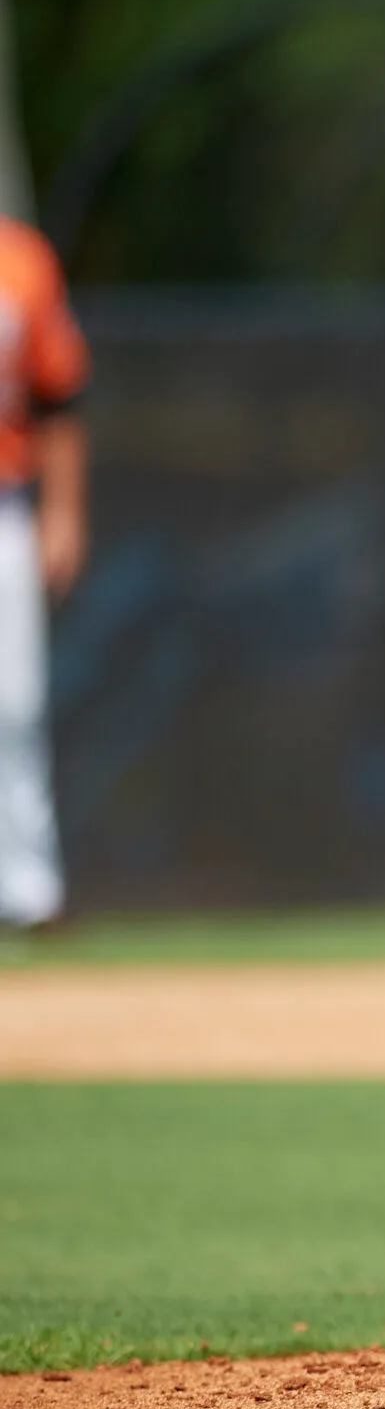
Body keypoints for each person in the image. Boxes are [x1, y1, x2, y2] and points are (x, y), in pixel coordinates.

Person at [0, 216, 87, 933]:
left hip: (4, 502)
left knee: (14, 703)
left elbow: (58, 395)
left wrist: (63, 511)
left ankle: (29, 892)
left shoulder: (20, 261)